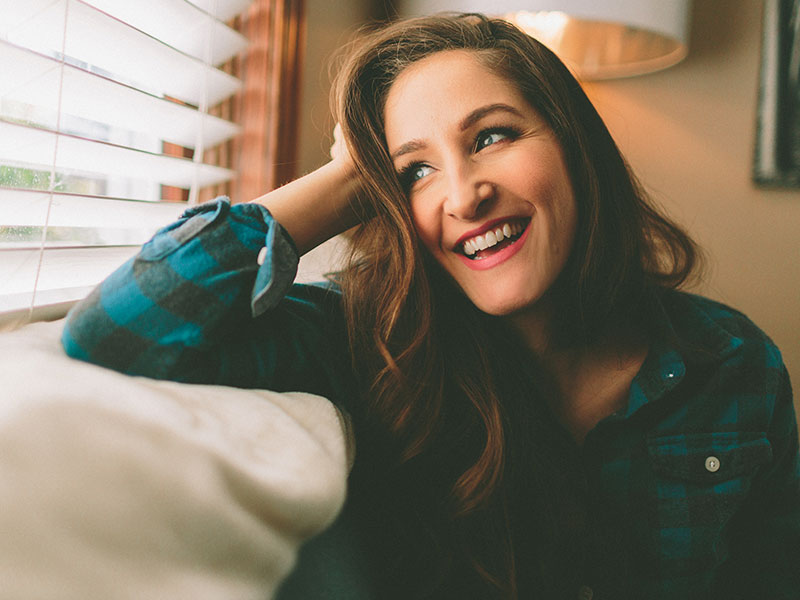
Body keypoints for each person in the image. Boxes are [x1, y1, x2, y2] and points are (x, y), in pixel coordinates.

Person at [62, 13, 799, 600]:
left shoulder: (733, 366)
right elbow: (119, 333)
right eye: (415, 170)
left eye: (492, 136)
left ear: (573, 144)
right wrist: (349, 178)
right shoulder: (357, 338)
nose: (463, 192)